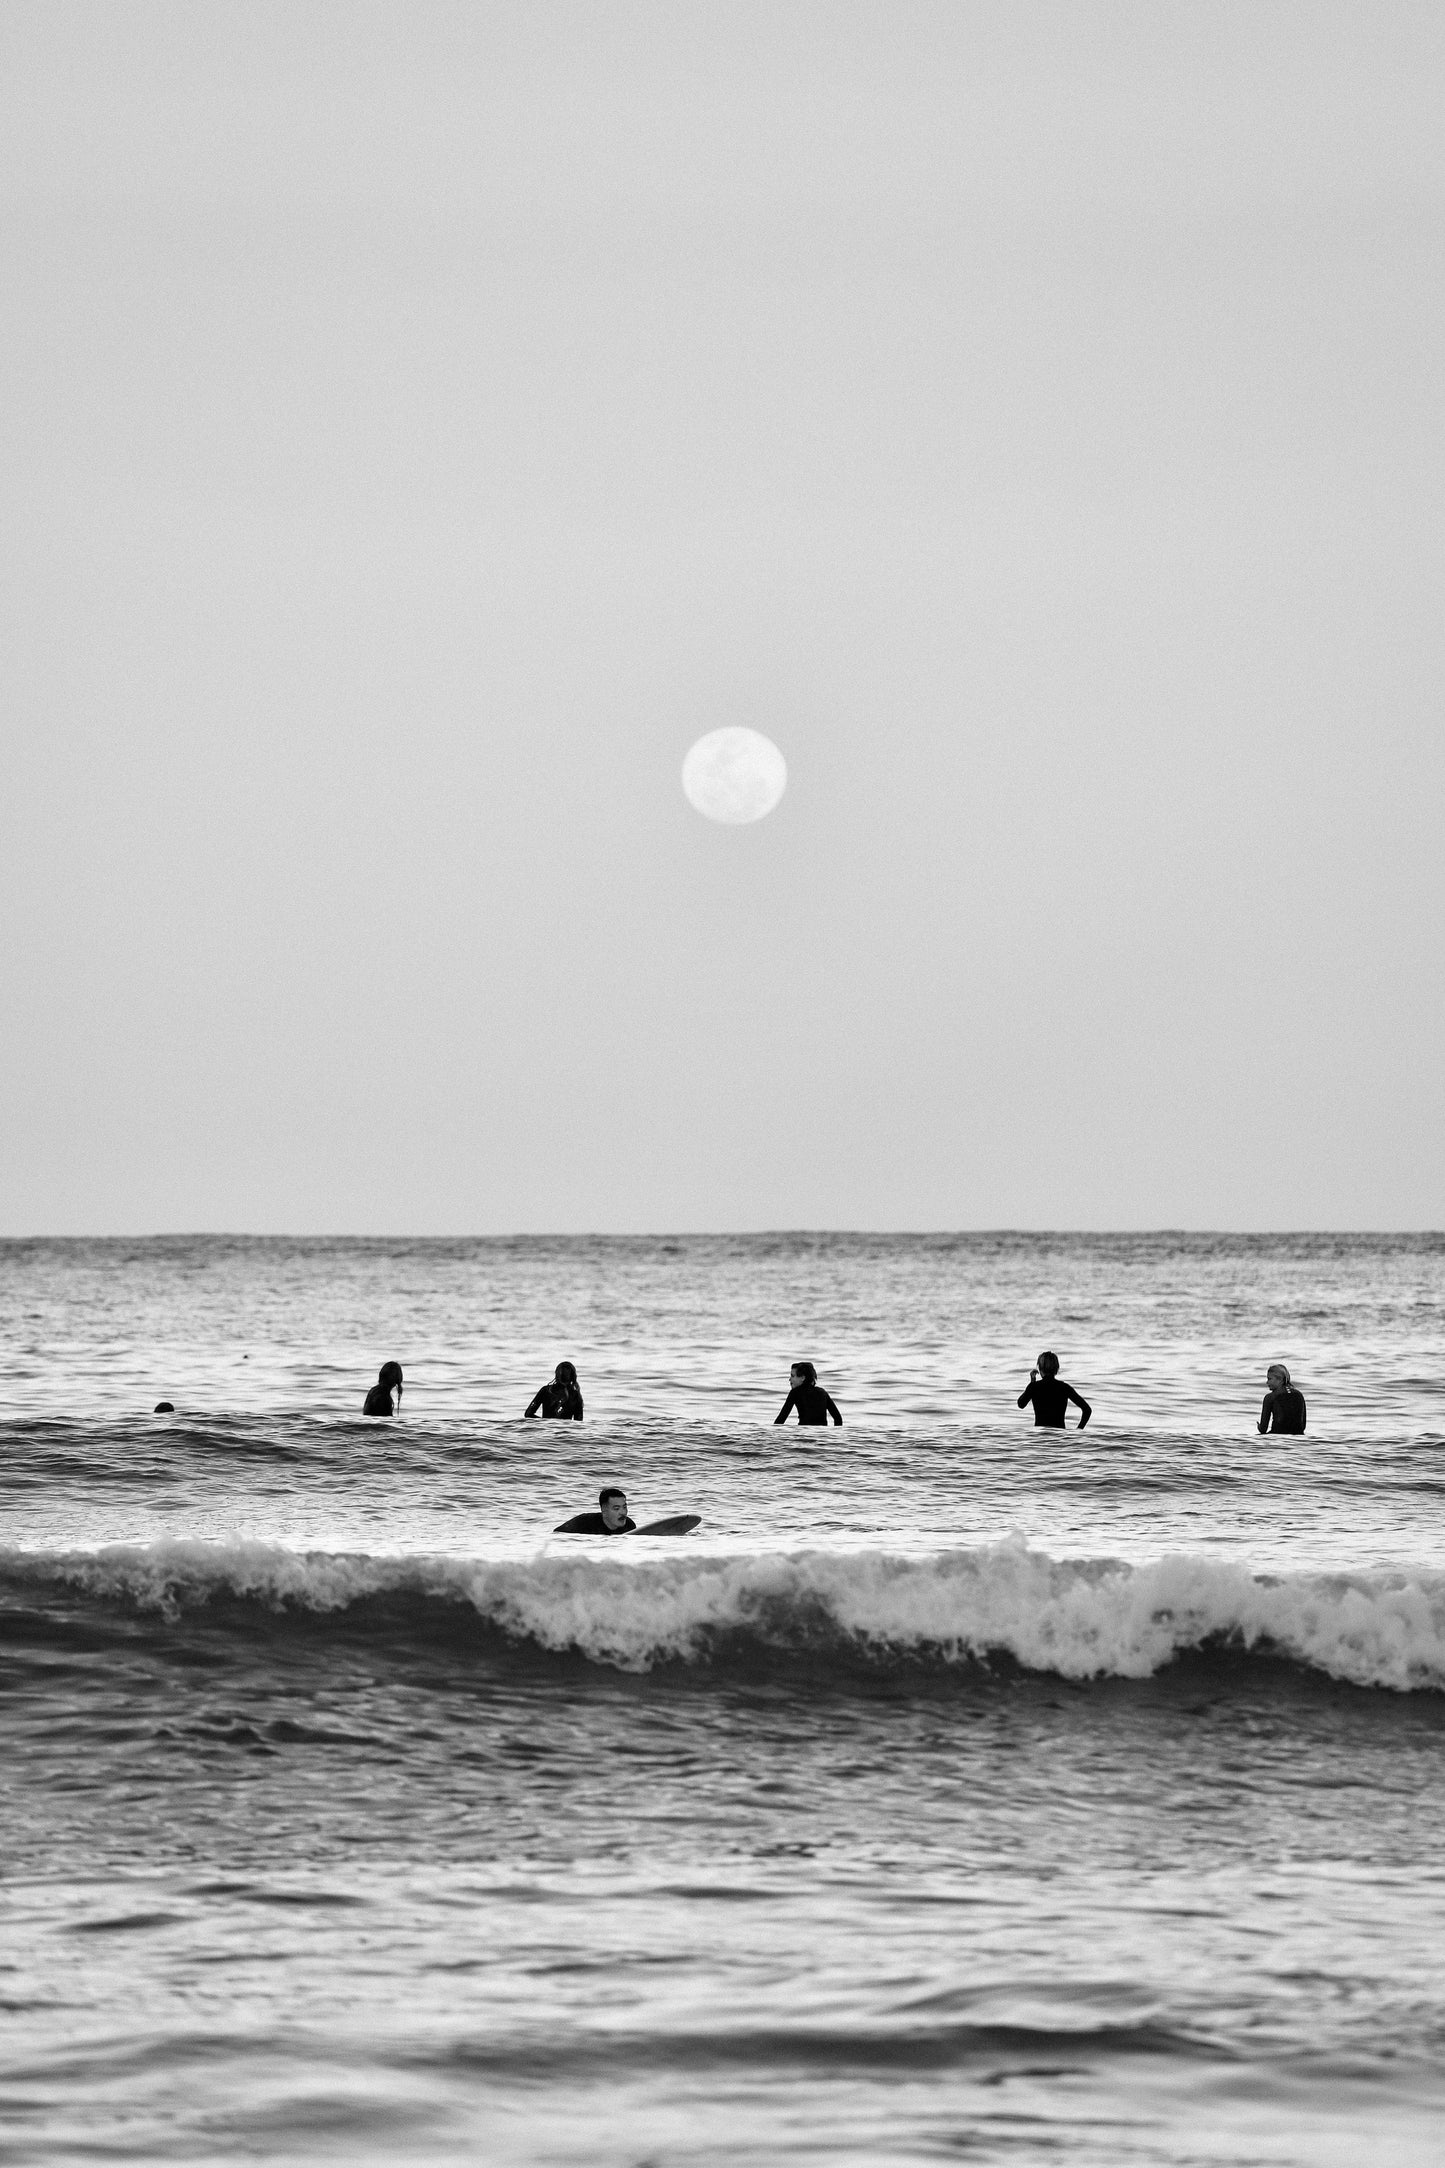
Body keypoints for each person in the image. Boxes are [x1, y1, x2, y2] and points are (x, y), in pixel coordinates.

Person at [1017, 1351, 1091, 1429]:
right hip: (1059, 1437)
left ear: (1040, 1368)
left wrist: (1032, 1383)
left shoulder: (1034, 1387)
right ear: (1056, 1368)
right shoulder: (1064, 1387)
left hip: (1040, 1437)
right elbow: (1087, 1410)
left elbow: (1021, 1404)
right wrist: (1078, 1430)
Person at [774, 1361, 842, 1426]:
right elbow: (838, 1418)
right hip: (822, 1435)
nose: (790, 1379)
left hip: (804, 1434)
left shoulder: (795, 1393)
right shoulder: (822, 1392)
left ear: (803, 1378)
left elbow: (781, 1420)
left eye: (792, 1376)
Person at [555, 1486, 636, 1534]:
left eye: (624, 1507)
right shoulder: (583, 1523)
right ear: (604, 1511)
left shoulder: (630, 1526)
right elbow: (557, 1534)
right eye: (616, 1508)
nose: (623, 1512)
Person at [1258, 1364, 1306, 1435]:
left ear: (1280, 1379)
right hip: (1298, 1437)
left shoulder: (1270, 1397)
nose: (1267, 1382)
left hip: (1277, 1437)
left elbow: (1263, 1429)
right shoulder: (1299, 1394)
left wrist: (1259, 1427)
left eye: (1269, 1379)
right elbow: (1303, 1425)